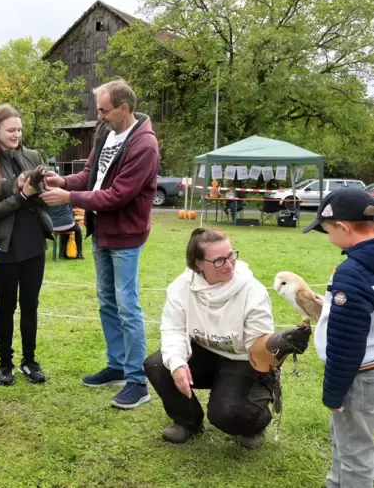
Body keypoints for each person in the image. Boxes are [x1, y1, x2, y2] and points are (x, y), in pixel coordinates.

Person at [41, 79, 159, 409]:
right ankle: (118, 365)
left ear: (123, 108)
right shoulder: (105, 134)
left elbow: (117, 195)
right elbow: (91, 175)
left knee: (127, 304)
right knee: (107, 300)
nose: (100, 116)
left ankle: (138, 381)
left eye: (104, 110)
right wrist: (63, 181)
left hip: (125, 236)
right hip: (102, 232)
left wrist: (69, 196)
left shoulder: (144, 146)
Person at [143, 228, 310, 448]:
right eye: (220, 260)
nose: (230, 264)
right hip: (204, 351)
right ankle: (188, 421)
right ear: (198, 263)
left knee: (227, 414)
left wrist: (278, 343)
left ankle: (255, 421)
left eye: (231, 255)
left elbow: (257, 346)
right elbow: (173, 329)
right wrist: (177, 364)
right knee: (158, 365)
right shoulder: (180, 287)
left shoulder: (253, 291)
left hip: (242, 359)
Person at [0, 104, 54, 386]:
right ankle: (5, 363)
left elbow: (44, 197)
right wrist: (20, 194)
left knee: (30, 304)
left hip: (33, 244)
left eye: (19, 129)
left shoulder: (32, 156)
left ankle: (29, 361)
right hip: (5, 247)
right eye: (10, 130)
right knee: (6, 306)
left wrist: (38, 189)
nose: (16, 134)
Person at [302, 188, 374, 487]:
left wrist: (333, 391)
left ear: (344, 227)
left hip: (358, 378)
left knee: (357, 455)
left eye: (329, 231)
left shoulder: (352, 272)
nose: (330, 238)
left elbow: (347, 340)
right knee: (350, 441)